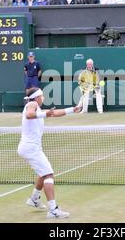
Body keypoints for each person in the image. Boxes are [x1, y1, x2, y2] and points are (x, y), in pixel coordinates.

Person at [19, 87, 81, 219]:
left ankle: (34, 199)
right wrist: (45, 114)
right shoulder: (32, 104)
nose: (43, 98)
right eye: (42, 96)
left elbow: (54, 113)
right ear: (37, 97)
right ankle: (53, 210)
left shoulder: (37, 108)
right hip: (31, 148)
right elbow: (29, 115)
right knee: (48, 174)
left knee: (43, 173)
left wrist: (72, 110)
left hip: (30, 148)